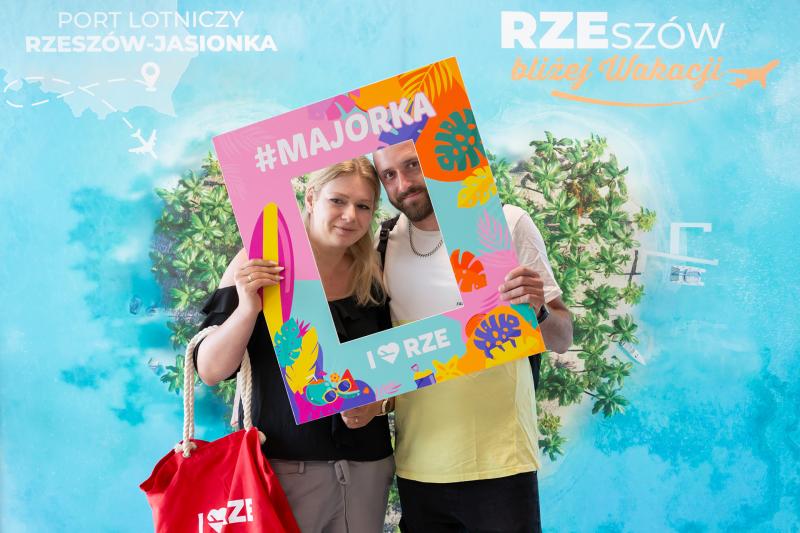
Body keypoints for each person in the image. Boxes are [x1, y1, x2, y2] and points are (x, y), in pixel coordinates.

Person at [368, 140, 573, 533]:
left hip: (502, 463)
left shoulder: (505, 223)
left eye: (412, 165)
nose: (403, 184)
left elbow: (562, 337)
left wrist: (538, 309)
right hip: (418, 465)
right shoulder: (383, 242)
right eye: (389, 174)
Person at [194, 156, 394, 533]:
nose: (350, 215)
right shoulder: (259, 261)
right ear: (311, 197)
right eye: (338, 200)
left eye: (363, 206)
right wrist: (248, 308)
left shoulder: (373, 273)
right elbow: (210, 370)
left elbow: (392, 364)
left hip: (367, 468)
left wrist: (377, 404)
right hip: (281, 468)